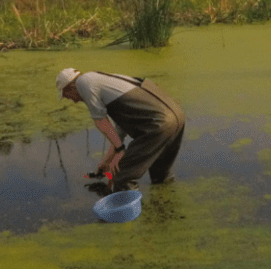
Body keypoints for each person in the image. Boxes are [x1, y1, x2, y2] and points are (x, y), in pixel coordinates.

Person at [56, 68, 186, 191]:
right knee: (161, 177)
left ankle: (130, 214)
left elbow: (100, 120)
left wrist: (120, 151)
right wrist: (106, 162)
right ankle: (166, 208)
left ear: (72, 87)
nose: (73, 101)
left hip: (159, 125)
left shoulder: (83, 82)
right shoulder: (108, 83)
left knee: (122, 178)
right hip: (176, 117)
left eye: (68, 96)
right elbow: (120, 131)